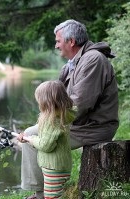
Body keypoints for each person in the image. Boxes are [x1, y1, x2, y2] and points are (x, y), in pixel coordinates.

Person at [18, 19, 119, 199]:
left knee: (36, 139)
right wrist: (45, 121)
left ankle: (42, 194)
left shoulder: (93, 59)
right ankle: (41, 191)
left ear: (71, 41)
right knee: (31, 133)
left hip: (93, 127)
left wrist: (48, 124)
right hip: (78, 123)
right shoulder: (73, 63)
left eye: (58, 41)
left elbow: (80, 104)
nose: (56, 46)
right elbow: (56, 99)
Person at [21, 80, 76, 199]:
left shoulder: (51, 121)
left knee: (52, 197)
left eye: (39, 100)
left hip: (53, 168)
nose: (38, 103)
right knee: (56, 195)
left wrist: (30, 139)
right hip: (60, 165)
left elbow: (46, 145)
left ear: (46, 102)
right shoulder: (63, 114)